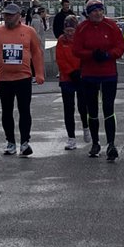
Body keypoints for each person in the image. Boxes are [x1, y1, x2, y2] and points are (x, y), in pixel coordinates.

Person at [0, 2, 44, 156]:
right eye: (5, 15)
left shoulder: (29, 31)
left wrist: (39, 73)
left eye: (11, 15)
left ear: (19, 16)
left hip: (23, 77)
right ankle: (10, 142)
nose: (7, 18)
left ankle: (24, 142)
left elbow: (37, 53)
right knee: (6, 111)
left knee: (24, 110)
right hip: (4, 78)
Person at [72, 0, 124, 160]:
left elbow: (120, 46)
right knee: (92, 109)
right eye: (94, 11)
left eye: (100, 10)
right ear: (88, 14)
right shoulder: (82, 28)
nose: (98, 13)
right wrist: (91, 55)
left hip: (108, 73)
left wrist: (108, 55)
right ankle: (95, 143)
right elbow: (76, 50)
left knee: (108, 108)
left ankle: (111, 144)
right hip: (89, 74)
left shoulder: (111, 26)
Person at [55, 14, 88, 150]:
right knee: (68, 109)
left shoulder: (82, 40)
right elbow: (60, 59)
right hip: (67, 78)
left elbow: (85, 56)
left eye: (71, 30)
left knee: (83, 107)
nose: (69, 33)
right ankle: (71, 137)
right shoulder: (61, 41)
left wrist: (81, 71)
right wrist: (70, 71)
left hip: (81, 76)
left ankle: (86, 128)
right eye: (67, 30)